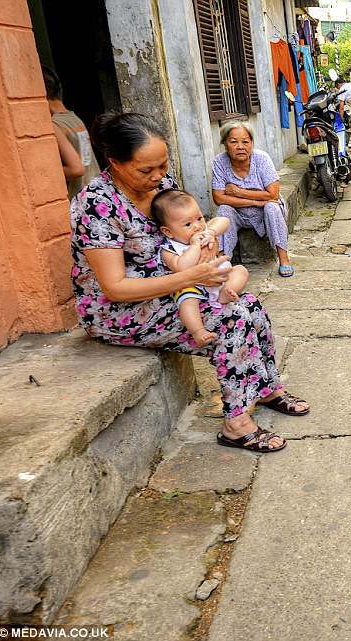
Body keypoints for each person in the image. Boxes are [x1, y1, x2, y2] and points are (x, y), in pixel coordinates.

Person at [71, 112, 308, 453]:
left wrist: (205, 240)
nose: (159, 176)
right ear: (114, 162)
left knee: (250, 305)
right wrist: (191, 275)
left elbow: (193, 228)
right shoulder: (96, 205)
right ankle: (236, 424)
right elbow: (115, 288)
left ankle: (266, 387)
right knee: (232, 318)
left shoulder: (163, 189)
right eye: (146, 170)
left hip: (178, 287)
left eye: (163, 165)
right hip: (120, 310)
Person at [150, 189, 250, 346]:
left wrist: (211, 232)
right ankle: (198, 331)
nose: (197, 227)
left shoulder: (205, 232)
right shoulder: (169, 249)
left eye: (199, 218)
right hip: (193, 286)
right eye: (188, 224)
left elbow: (224, 220)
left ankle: (227, 292)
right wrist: (195, 246)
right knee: (187, 302)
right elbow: (181, 267)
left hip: (220, 278)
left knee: (241, 271)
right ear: (167, 231)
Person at [211, 121, 294, 277]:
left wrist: (238, 192)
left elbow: (273, 195)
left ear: (252, 143)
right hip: (238, 212)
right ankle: (222, 261)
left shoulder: (262, 159)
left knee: (272, 207)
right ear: (225, 144)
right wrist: (256, 202)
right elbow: (219, 198)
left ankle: (284, 259)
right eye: (234, 142)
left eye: (245, 142)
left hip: (265, 210)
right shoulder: (220, 161)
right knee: (223, 210)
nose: (240, 146)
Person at [42, 66, 100, 200]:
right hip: (95, 193)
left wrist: (44, 176)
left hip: (80, 200)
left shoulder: (55, 124)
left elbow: (76, 169)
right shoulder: (74, 119)